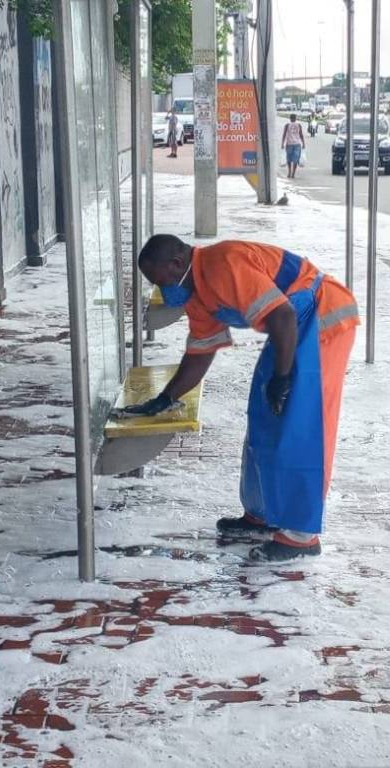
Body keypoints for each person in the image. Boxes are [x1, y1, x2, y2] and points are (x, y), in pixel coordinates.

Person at [120, 236, 359, 562]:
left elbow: (283, 316)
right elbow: (201, 351)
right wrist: (165, 398)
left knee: (300, 425)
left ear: (177, 264)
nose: (162, 289)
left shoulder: (224, 265)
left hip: (322, 317)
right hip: (290, 325)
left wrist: (283, 377)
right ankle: (260, 515)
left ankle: (300, 536)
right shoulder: (195, 291)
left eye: (160, 280)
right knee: (263, 415)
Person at [281, 114, 305, 178]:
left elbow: (284, 135)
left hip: (289, 144)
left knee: (289, 159)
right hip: (297, 144)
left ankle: (289, 172)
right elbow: (301, 135)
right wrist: (303, 143)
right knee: (295, 159)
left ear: (290, 118)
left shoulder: (287, 125)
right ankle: (293, 173)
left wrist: (282, 143)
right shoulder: (299, 125)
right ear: (295, 118)